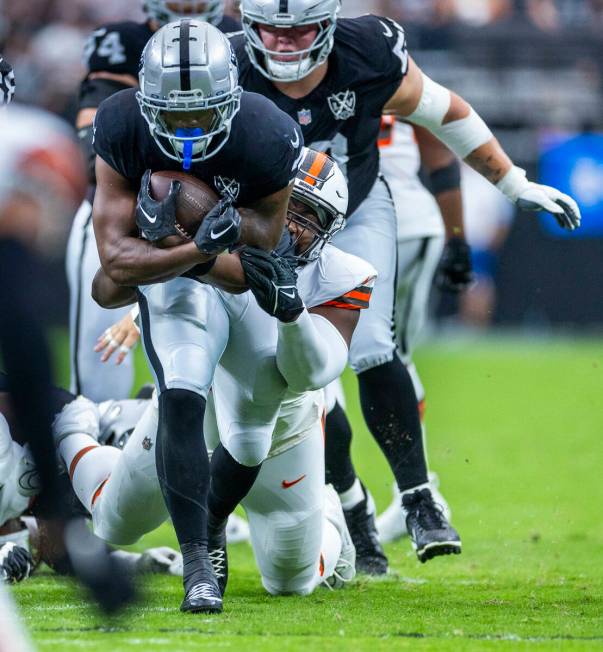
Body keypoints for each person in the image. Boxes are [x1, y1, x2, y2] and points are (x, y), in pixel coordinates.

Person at [233, 0, 580, 571]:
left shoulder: (367, 53)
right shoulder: (230, 65)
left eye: (297, 31)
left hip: (358, 210)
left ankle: (419, 496)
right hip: (265, 224)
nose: (283, 44)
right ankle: (353, 510)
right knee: (303, 381)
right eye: (270, 30)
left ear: (327, 25)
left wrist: (513, 183)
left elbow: (446, 113)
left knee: (372, 346)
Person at [58, 150, 375, 596]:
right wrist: (164, 249)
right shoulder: (216, 234)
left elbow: (313, 372)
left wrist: (292, 314)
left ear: (330, 229)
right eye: (289, 204)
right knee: (114, 521)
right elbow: (125, 291)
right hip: (195, 417)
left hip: (284, 432)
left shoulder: (340, 275)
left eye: (309, 215)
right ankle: (70, 428)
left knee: (291, 581)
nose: (292, 223)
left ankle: (327, 516)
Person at [91, 19, 303, 613]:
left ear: (232, 97)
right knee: (181, 393)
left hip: (226, 280)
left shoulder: (266, 132)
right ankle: (196, 566)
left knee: (256, 423)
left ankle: (215, 519)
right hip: (177, 276)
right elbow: (113, 260)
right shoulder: (122, 122)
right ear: (145, 99)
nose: (186, 127)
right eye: (173, 114)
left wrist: (191, 251)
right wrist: (199, 248)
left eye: (200, 113)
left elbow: (263, 249)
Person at [67, 0, 238, 402]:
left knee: (217, 359)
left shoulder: (239, 41)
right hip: (118, 213)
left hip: (210, 219)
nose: (189, 6)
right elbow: (95, 153)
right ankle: (89, 448)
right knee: (97, 369)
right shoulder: (122, 43)